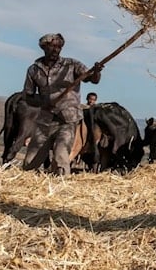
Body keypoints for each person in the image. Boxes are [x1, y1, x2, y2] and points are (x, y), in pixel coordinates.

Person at [22, 33, 103, 175]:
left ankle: (60, 186)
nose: (55, 50)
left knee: (61, 157)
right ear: (44, 48)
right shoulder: (34, 70)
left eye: (59, 47)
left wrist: (96, 72)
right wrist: (43, 102)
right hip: (45, 121)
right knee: (30, 161)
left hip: (68, 120)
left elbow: (92, 79)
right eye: (52, 47)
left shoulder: (72, 65)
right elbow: (28, 96)